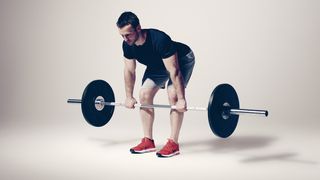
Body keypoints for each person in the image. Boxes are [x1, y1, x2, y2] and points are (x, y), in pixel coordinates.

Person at [116, 11, 195, 158]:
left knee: (173, 95)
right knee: (144, 94)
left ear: (138, 28)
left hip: (181, 59)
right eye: (122, 35)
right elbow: (129, 70)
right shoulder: (128, 45)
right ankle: (148, 141)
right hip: (158, 64)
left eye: (128, 35)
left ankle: (173, 143)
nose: (125, 39)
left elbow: (174, 71)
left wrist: (182, 99)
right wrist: (128, 96)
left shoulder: (160, 40)